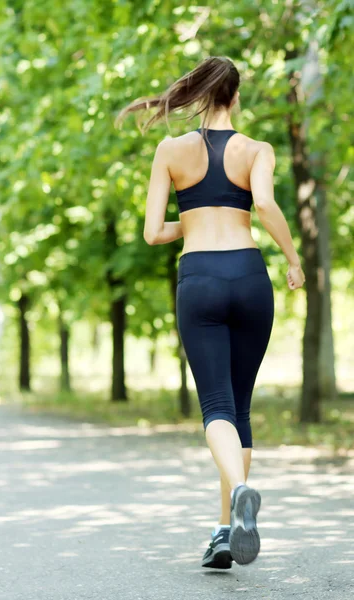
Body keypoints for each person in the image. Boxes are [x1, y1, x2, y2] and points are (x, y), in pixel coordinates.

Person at [114, 56, 305, 568]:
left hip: (200, 279)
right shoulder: (257, 150)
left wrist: (194, 221)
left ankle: (240, 494)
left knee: (216, 406)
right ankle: (226, 531)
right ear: (236, 97)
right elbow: (263, 206)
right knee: (240, 409)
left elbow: (154, 232)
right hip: (248, 276)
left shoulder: (170, 151)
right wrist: (291, 259)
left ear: (200, 95)